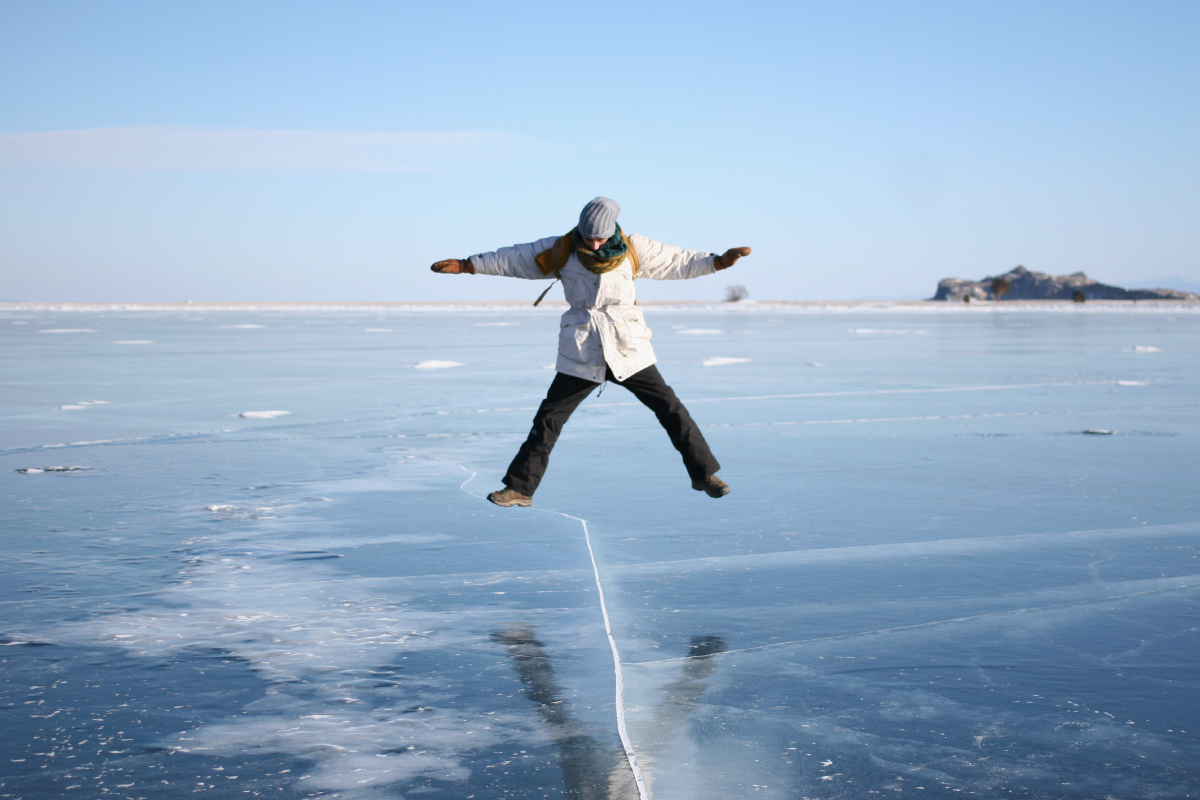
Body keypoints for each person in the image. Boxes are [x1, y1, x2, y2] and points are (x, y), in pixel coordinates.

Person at [430, 197, 751, 508]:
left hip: (628, 347)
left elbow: (677, 261)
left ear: (612, 230)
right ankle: (519, 488)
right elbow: (515, 258)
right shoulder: (561, 249)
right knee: (548, 420)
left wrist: (718, 261)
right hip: (582, 350)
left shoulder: (634, 248)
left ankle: (704, 475)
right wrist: (468, 265)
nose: (594, 245)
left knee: (671, 410)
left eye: (599, 238)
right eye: (588, 237)